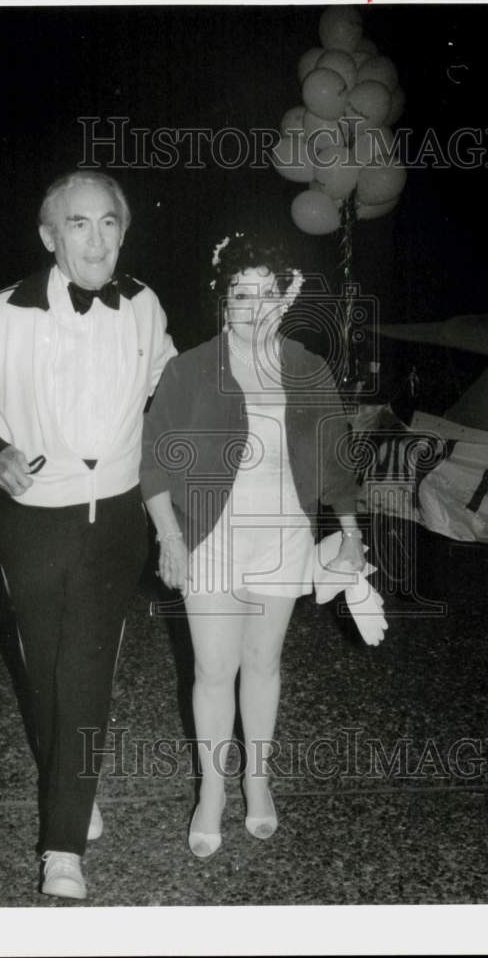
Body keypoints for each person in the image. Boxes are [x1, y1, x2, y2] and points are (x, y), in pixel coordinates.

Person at [0, 170, 176, 899]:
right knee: (43, 673)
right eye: (78, 224)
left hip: (116, 520)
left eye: (108, 223)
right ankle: (70, 781)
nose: (95, 239)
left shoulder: (144, 306)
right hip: (31, 524)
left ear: (123, 230)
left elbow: (169, 382)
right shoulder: (7, 312)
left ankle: (62, 845)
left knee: (85, 671)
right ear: (50, 236)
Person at [140, 231, 365, 858]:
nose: (256, 307)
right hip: (209, 539)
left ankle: (257, 780)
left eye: (269, 293)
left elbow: (335, 456)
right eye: (243, 293)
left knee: (264, 664)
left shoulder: (307, 368)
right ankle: (212, 789)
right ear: (223, 299)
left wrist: (349, 534)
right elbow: (153, 461)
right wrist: (170, 539)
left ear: (287, 298)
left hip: (284, 536)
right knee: (213, 671)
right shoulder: (189, 368)